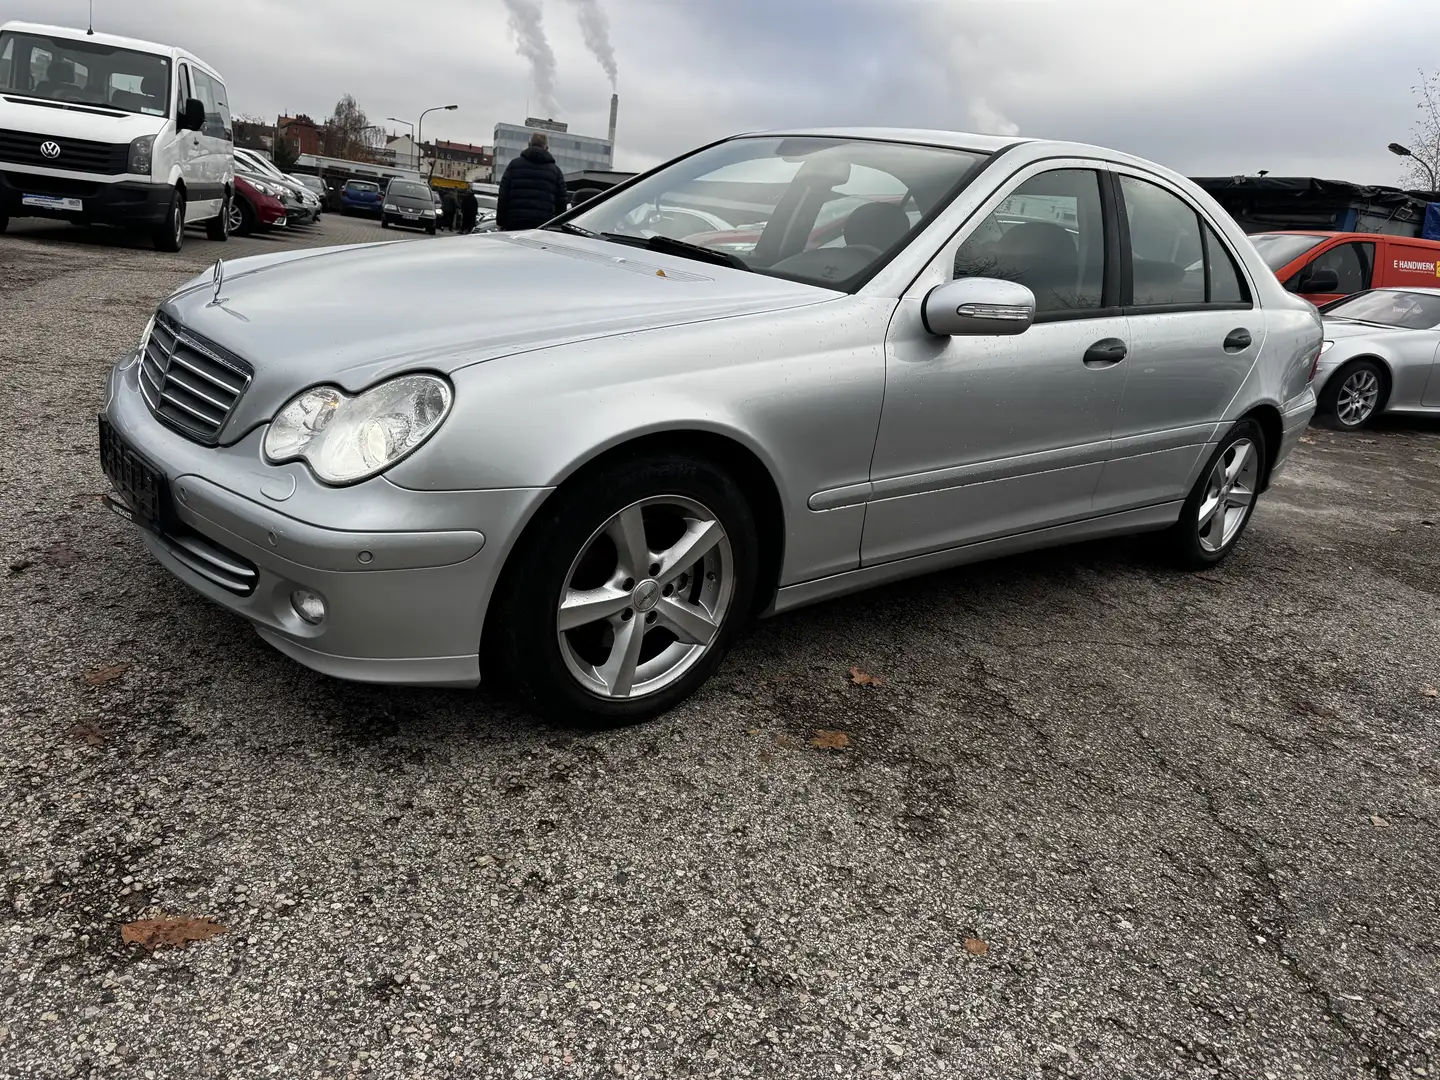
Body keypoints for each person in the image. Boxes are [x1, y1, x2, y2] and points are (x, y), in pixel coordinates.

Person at [496, 132, 567, 231]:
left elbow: (503, 195)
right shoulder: (556, 172)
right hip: (543, 225)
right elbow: (562, 202)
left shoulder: (514, 165)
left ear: (529, 144)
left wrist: (500, 221)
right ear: (546, 148)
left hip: (515, 223)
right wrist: (557, 225)